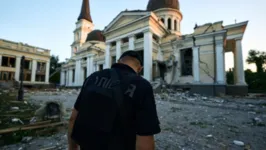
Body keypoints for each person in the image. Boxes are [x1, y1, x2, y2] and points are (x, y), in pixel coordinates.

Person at [68, 50, 161, 150]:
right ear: (140, 68)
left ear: (118, 61)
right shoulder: (142, 85)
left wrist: (72, 148)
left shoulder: (93, 77)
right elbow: (145, 137)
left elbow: (73, 118)